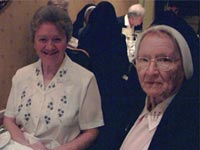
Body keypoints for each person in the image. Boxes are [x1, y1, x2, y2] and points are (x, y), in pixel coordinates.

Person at [3, 5, 104, 150]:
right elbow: (9, 119)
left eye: (57, 39)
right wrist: (28, 146)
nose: (49, 47)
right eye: (43, 39)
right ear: (34, 42)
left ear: (67, 40)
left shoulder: (85, 80)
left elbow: (91, 131)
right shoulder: (21, 75)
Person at [120, 25, 199, 150]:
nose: (151, 72)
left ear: (184, 67)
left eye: (164, 60)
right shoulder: (131, 108)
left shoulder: (191, 126)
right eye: (144, 60)